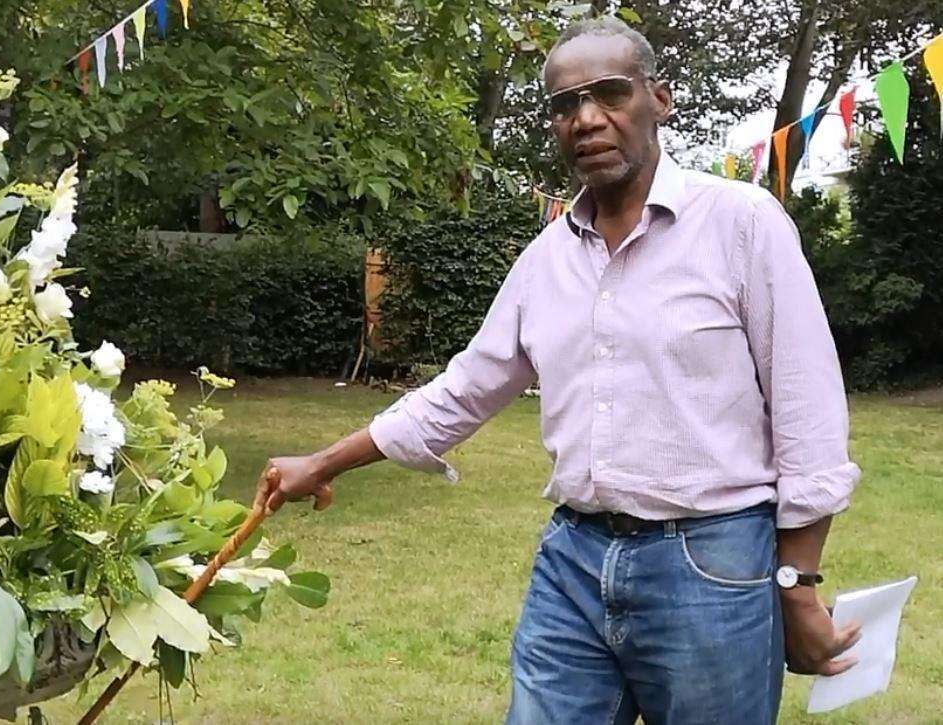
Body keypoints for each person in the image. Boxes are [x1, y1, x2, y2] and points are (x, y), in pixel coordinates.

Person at [256, 16, 862, 725]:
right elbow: (463, 388)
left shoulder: (740, 222)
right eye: (564, 104)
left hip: (712, 565)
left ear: (658, 99)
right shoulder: (546, 259)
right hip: (572, 561)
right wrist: (324, 462)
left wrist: (795, 585)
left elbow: (807, 408)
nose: (586, 118)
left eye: (609, 93)